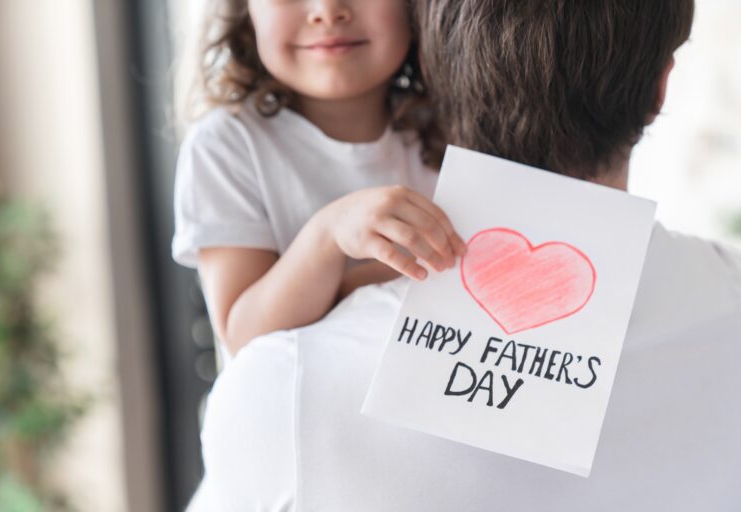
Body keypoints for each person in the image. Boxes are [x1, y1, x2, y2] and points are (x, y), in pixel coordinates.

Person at [194, 0, 741, 510]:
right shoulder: (725, 299)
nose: (329, 12)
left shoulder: (279, 395)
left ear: (430, 66)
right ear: (660, 89)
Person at [172, 0, 468, 357]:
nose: (328, 11)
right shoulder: (227, 145)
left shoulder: (457, 129)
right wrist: (329, 236)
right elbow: (243, 339)